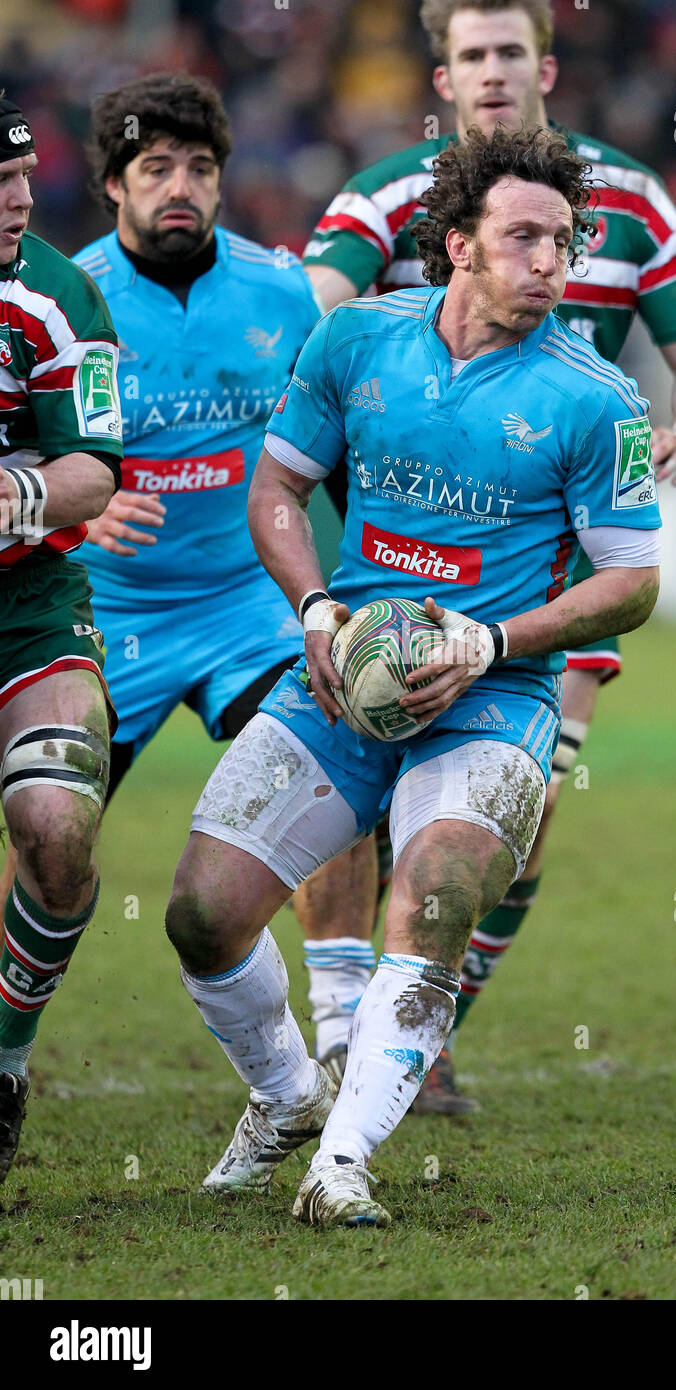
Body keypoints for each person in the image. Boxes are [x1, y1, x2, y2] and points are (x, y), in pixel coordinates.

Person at [164, 125, 661, 1227]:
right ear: (455, 247)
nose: (548, 262)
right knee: (201, 914)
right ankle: (288, 1094)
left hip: (492, 700)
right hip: (342, 683)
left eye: (563, 241)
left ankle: (340, 1163)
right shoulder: (353, 342)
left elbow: (630, 585)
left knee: (431, 890)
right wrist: (318, 609)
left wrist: (489, 643)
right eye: (522, 237)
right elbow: (276, 493)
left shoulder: (595, 398)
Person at [303, 0, 676, 1112]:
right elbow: (308, 325)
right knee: (347, 794)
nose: (490, 73)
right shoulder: (386, 198)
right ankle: (344, 1027)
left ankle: (423, 1028)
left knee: (521, 806)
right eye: (468, 56)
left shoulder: (630, 200)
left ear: (543, 63)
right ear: (440, 79)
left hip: (554, 574)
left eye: (508, 52)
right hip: (397, 556)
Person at [0, 73, 378, 1082]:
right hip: (106, 616)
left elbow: (332, 446)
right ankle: (13, 1042)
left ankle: (346, 1023)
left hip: (245, 603)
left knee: (335, 744)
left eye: (200, 168)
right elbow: (52, 465)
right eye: (155, 167)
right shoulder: (71, 295)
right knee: (51, 834)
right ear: (113, 184)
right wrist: (87, 502)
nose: (182, 187)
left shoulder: (283, 293)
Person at [0, 95, 123, 1181]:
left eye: (25, 174)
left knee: (56, 824)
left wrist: (20, 487)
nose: (22, 198)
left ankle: (2, 1064)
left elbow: (93, 468)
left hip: (25, 606)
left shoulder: (55, 291)